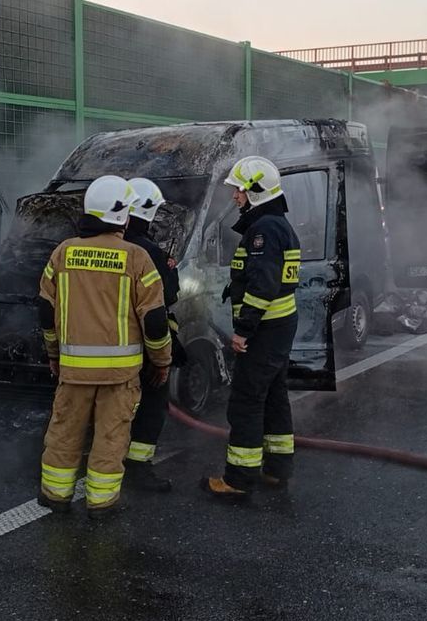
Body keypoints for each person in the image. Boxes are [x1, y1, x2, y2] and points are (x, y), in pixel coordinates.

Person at [37, 176, 173, 518]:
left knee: (65, 432)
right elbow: (155, 322)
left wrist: (53, 355)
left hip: (72, 371)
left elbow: (45, 312)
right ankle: (101, 503)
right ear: (123, 217)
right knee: (110, 438)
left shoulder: (62, 253)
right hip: (119, 374)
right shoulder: (137, 258)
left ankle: (55, 495)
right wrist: (161, 361)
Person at [202, 156, 301, 499]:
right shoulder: (278, 224)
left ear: (255, 190)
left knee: (246, 400)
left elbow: (263, 285)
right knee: (274, 397)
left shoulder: (264, 230)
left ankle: (238, 478)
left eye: (239, 191)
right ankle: (276, 470)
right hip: (279, 326)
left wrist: (243, 330)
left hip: (265, 329)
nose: (235, 197)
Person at [122, 177, 186, 493]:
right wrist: (169, 269)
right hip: (142, 346)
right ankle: (138, 466)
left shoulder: (90, 245)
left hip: (103, 345)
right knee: (151, 402)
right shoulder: (150, 252)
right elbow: (166, 299)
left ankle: (105, 460)